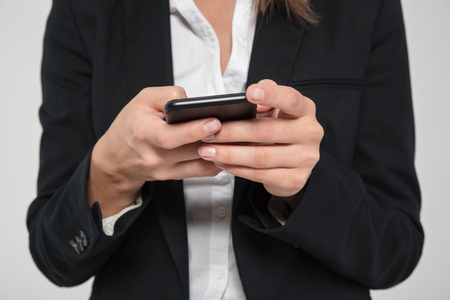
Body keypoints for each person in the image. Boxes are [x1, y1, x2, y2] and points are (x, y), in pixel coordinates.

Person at [27, 0, 423, 298]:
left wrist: (305, 189)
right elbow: (56, 257)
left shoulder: (361, 8)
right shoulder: (85, 10)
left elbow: (395, 249)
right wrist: (111, 173)